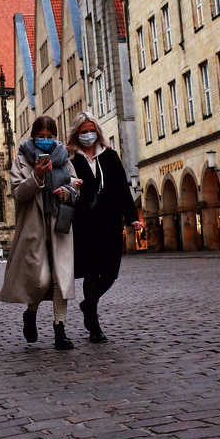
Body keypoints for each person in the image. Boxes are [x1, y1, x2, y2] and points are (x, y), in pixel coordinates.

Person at [0, 116, 80, 350]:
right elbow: (18, 193)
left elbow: (74, 188)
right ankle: (30, 312)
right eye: (41, 137)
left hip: (59, 228)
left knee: (60, 280)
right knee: (41, 280)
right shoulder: (22, 160)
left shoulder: (63, 158)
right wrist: (36, 176)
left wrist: (69, 192)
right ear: (33, 137)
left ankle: (60, 329)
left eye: (50, 137)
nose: (46, 141)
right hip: (34, 229)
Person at [67, 112, 141, 342]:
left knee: (110, 272)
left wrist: (131, 217)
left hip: (109, 221)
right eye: (83, 131)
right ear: (77, 134)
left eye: (91, 130)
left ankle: (88, 304)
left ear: (97, 131)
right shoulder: (71, 158)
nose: (88, 134)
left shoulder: (109, 156)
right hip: (85, 223)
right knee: (91, 270)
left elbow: (121, 188)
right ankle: (94, 326)